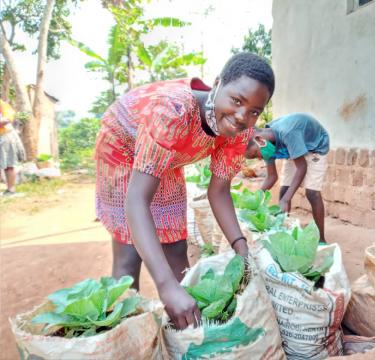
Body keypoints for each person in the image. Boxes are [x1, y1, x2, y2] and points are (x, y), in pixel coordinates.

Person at [95, 52, 274, 329]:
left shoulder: (238, 131)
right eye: (237, 100)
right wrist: (165, 286)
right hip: (122, 144)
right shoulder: (173, 110)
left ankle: (188, 329)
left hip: (167, 156)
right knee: (129, 254)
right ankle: (122, 335)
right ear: (217, 84)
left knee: (176, 245)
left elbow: (219, 191)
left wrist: (241, 247)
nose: (242, 116)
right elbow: (137, 200)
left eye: (254, 111)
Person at [245, 112, 329, 242]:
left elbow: (302, 167)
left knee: (312, 193)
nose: (260, 158)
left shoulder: (287, 132)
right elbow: (272, 177)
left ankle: (321, 239)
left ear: (259, 140)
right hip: (292, 149)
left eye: (256, 154)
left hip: (315, 147)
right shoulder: (266, 145)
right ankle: (284, 231)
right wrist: (256, 198)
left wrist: (285, 200)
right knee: (284, 190)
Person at [0, 100, 26, 196]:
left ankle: (11, 190)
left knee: (8, 164)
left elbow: (7, 119)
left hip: (5, 136)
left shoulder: (2, 104)